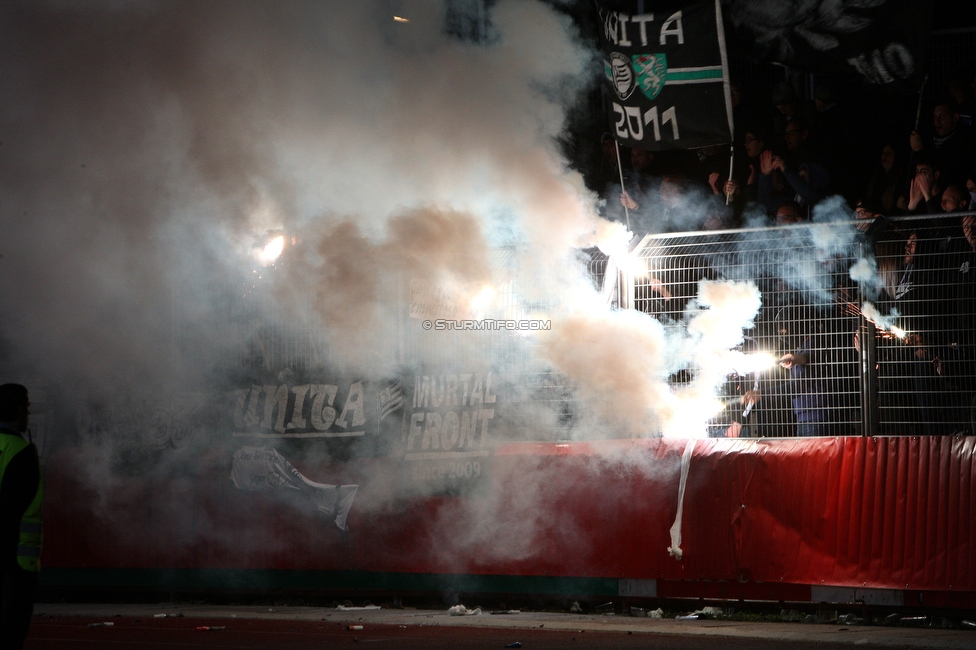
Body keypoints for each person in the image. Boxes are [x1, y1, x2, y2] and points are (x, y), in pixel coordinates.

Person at [0, 384, 42, 650]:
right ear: (18, 411)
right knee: (11, 631)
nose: (28, 414)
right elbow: (14, 509)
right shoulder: (23, 452)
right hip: (16, 560)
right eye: (27, 408)